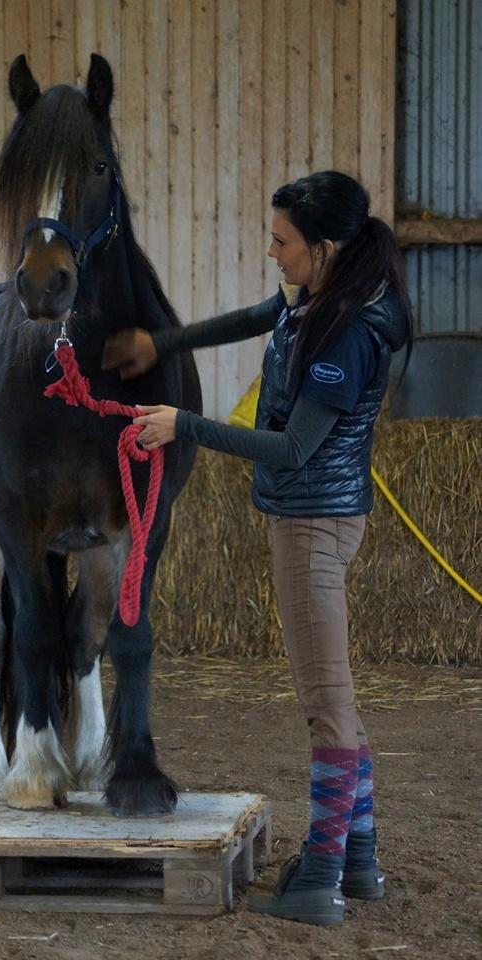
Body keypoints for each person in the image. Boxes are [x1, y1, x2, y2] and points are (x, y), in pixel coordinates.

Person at [102, 170, 413, 927]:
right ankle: (356, 858)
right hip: (316, 519)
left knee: (325, 707)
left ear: (323, 246)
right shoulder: (325, 293)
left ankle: (321, 879)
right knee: (334, 696)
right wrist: (162, 342)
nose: (271, 253)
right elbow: (252, 315)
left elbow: (292, 447)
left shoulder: (345, 330)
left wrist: (185, 425)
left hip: (311, 521)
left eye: (282, 242)